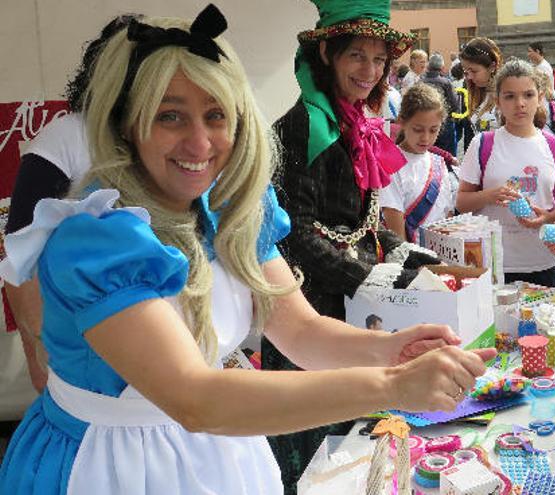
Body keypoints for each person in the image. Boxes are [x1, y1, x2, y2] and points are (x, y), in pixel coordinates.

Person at [0, 5, 495, 494]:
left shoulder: (231, 213)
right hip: (111, 465)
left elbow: (300, 330)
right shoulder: (96, 243)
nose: (199, 142)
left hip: (218, 448)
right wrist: (391, 386)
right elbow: (195, 398)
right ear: (127, 126)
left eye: (216, 115)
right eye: (170, 116)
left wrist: (390, 350)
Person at [271, 1, 463, 490]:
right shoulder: (303, 123)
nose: (369, 70)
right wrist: (381, 279)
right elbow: (295, 235)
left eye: (379, 61)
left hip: (353, 311)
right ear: (329, 55)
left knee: (358, 450)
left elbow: (367, 227)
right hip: (308, 314)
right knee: (317, 456)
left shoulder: (355, 119)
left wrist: (425, 262)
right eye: (357, 55)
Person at [4, 13, 144, 395]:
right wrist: (41, 352)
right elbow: (20, 256)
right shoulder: (66, 138)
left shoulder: (170, 140)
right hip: (81, 338)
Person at [456, 59, 555, 287]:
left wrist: (548, 217)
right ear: (497, 101)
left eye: (528, 95)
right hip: (494, 263)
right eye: (510, 96)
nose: (520, 103)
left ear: (540, 98)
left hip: (543, 261)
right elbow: (462, 202)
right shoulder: (483, 144)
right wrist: (490, 195)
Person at [380, 83, 457, 243]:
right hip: (411, 261)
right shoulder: (390, 163)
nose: (426, 138)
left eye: (433, 130)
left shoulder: (439, 163)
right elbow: (396, 232)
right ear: (402, 121)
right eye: (418, 129)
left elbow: (447, 217)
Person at [459, 37, 503, 153]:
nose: (469, 76)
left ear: (492, 67)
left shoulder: (506, 95)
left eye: (474, 71)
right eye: (466, 71)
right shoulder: (477, 92)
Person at [422, 53, 458, 156]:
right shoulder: (446, 83)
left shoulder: (420, 82)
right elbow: (454, 105)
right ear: (442, 67)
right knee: (448, 157)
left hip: (425, 123)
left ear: (428, 66)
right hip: (444, 123)